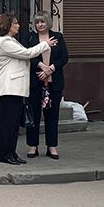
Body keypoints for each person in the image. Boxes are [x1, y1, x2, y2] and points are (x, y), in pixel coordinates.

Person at [0, 13, 53, 166]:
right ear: (8, 25)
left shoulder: (12, 40)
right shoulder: (4, 41)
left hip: (16, 87)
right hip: (9, 87)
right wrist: (45, 44)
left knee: (13, 124)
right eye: (15, 23)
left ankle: (11, 152)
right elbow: (27, 54)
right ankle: (5, 154)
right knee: (8, 124)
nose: (18, 26)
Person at [23, 11, 68, 159]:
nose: (39, 25)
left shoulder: (58, 37)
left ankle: (52, 146)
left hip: (53, 82)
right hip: (36, 82)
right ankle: (32, 146)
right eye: (37, 22)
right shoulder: (30, 38)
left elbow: (64, 57)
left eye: (42, 22)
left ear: (48, 22)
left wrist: (51, 69)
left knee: (52, 115)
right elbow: (28, 55)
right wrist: (42, 67)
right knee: (34, 115)